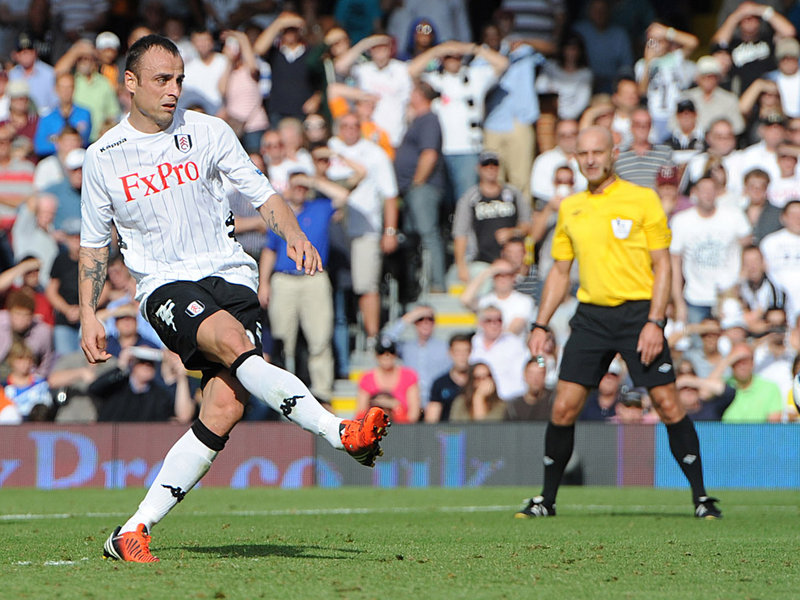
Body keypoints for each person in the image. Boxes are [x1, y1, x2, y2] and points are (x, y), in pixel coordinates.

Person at [78, 35, 389, 564]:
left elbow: (262, 190)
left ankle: (131, 532)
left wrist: (292, 232)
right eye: (161, 80)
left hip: (230, 275)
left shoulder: (209, 130)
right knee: (231, 340)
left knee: (225, 406)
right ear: (129, 83)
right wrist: (88, 311)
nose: (174, 90)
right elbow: (93, 244)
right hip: (165, 283)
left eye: (178, 79)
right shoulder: (103, 156)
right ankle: (340, 432)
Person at [518, 126, 720, 520]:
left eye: (597, 152)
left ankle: (701, 498)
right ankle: (546, 499)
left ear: (613, 154)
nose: (590, 159)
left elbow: (662, 265)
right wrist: (540, 325)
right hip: (592, 316)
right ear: (575, 158)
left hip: (637, 314)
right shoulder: (571, 207)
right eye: (583, 153)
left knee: (666, 403)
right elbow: (560, 272)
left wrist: (655, 321)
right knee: (563, 407)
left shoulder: (641, 199)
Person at [670, 175, 752, 324]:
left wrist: (740, 282)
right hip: (695, 297)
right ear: (695, 192)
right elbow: (675, 263)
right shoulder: (681, 221)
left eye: (711, 190)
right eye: (703, 190)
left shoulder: (733, 216)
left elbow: (749, 248)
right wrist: (679, 302)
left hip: (728, 295)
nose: (708, 194)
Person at [393, 81, 447, 292]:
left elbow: (429, 154)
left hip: (423, 188)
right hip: (411, 189)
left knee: (428, 233)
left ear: (420, 95)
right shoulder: (417, 120)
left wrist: (417, 182)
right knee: (415, 235)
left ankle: (437, 283)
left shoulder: (428, 120)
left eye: (413, 91)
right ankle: (417, 283)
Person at [88, 345, 195, 423]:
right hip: (111, 441)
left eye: (151, 364)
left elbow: (183, 416)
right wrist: (121, 367)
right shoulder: (117, 387)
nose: (147, 366)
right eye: (142, 362)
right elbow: (93, 389)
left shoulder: (159, 395)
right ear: (133, 364)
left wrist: (182, 379)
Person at [381, 304, 450, 410]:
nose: (425, 323)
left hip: (436, 403)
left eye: (430, 319)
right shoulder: (406, 347)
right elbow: (384, 341)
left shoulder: (445, 347)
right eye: (420, 319)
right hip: (410, 404)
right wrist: (408, 318)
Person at [356, 338, 421, 424]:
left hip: (403, 428)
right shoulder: (367, 378)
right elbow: (360, 413)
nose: (386, 356)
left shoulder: (409, 376)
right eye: (382, 353)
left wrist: (395, 406)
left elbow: (413, 415)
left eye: (390, 352)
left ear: (395, 355)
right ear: (376, 355)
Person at [426, 332, 471, 423]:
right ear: (450, 353)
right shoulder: (440, 383)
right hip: (447, 433)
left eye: (466, 351)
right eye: (458, 351)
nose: (462, 356)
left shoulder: (478, 380)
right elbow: (431, 419)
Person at [505, 357, 554, 421]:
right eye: (531, 374)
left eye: (539, 374)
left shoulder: (553, 402)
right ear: (525, 375)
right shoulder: (514, 407)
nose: (535, 379)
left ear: (545, 375)